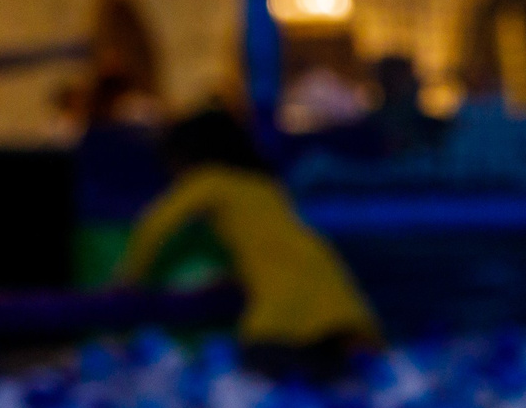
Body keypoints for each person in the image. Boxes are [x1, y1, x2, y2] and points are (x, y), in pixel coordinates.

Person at [113, 108, 383, 382]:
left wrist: (129, 277)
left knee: (259, 368)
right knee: (333, 383)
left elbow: (157, 223)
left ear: (187, 157)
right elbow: (266, 246)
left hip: (283, 309)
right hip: (334, 292)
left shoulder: (212, 180)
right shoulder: (264, 186)